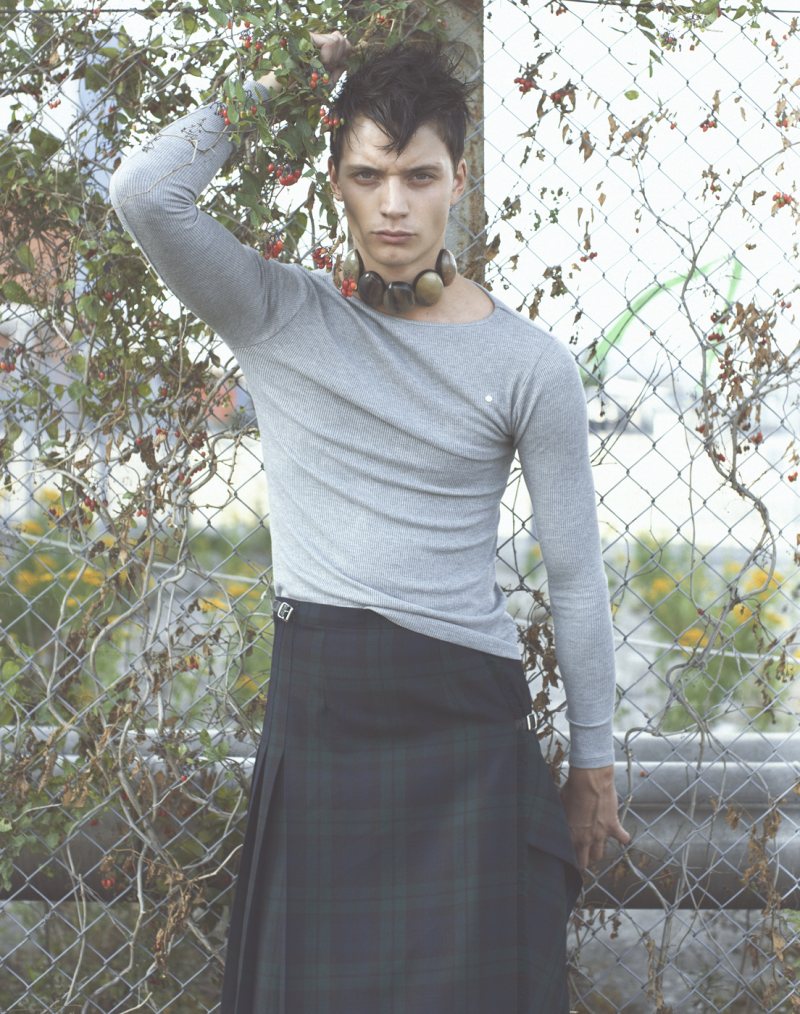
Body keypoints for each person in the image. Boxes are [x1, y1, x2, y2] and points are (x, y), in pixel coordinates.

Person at [109, 28, 630, 1014]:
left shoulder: (531, 366)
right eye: (368, 175)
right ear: (337, 184)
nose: (394, 204)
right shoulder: (274, 312)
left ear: (457, 180)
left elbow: (573, 574)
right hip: (325, 718)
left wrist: (594, 763)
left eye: (419, 176)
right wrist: (286, 73)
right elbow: (145, 193)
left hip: (469, 733)